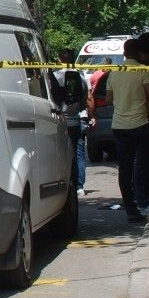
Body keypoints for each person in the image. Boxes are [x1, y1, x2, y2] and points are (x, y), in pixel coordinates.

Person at [107, 37, 149, 223]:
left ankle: (130, 208)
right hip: (141, 123)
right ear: (139, 53)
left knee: (125, 168)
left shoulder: (114, 72)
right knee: (142, 164)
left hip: (120, 126)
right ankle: (144, 201)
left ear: (124, 53)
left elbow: (108, 99)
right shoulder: (143, 70)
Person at [57, 49, 89, 195]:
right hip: (76, 120)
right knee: (78, 153)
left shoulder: (56, 76)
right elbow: (85, 99)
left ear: (59, 60)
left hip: (60, 122)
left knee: (62, 156)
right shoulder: (81, 77)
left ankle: (65, 187)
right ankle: (79, 186)